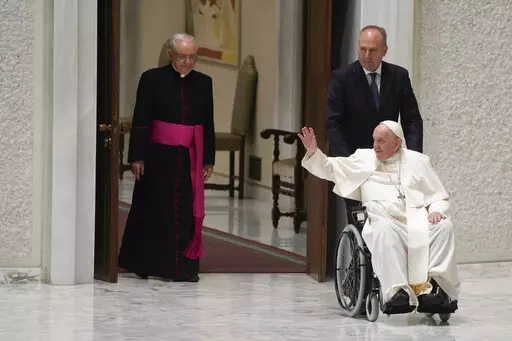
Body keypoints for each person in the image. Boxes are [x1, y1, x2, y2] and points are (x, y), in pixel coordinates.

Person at [298, 121, 460, 314]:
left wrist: (435, 210)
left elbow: (438, 195)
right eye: (374, 140)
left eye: (382, 141)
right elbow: (331, 168)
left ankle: (436, 291)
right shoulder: (364, 158)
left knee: (444, 227)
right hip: (383, 218)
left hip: (416, 219)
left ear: (396, 143)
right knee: (384, 231)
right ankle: (397, 292)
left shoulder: (418, 161)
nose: (376, 145)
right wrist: (314, 152)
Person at [118, 33, 215, 282]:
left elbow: (207, 124)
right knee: (155, 210)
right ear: (171, 54)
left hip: (189, 158)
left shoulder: (204, 82)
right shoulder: (152, 79)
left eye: (193, 57)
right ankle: (149, 264)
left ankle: (184, 268)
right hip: (157, 156)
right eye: (183, 56)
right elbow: (141, 120)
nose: (188, 61)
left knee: (186, 211)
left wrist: (208, 159)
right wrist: (137, 157)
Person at [325, 25, 423, 157]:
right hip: (353, 157)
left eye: (373, 50)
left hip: (388, 158)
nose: (367, 55)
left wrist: (414, 157)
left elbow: (411, 121)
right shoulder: (342, 78)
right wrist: (347, 162)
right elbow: (333, 123)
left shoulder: (399, 76)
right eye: (363, 49)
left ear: (384, 51)